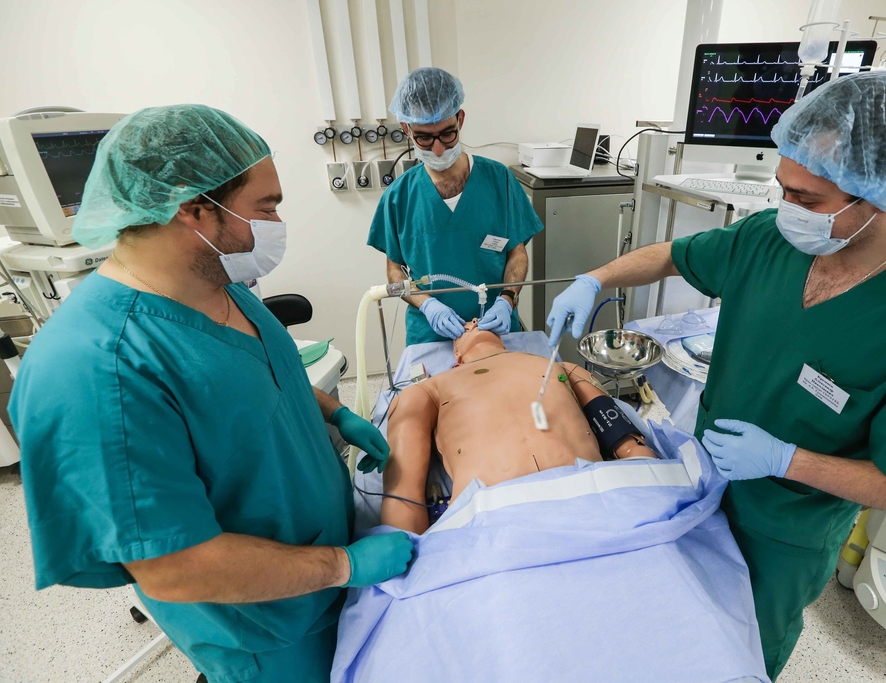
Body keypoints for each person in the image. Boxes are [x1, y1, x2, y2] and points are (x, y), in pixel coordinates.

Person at [545, 71, 886, 680]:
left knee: (738, 656)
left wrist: (787, 460)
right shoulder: (770, 239)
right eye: (783, 189)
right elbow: (672, 257)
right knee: (674, 628)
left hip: (785, 533)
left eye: (808, 200)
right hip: (701, 481)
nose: (788, 209)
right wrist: (595, 279)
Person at [9, 105, 413, 683]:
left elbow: (257, 374)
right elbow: (175, 568)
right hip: (265, 631)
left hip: (323, 578)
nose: (277, 223)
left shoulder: (219, 284)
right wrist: (342, 565)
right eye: (266, 208)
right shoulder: (97, 370)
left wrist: (332, 412)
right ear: (193, 208)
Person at [382, 320, 656, 533]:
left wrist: (653, 492)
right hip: (491, 517)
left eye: (480, 320)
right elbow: (402, 494)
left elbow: (626, 442)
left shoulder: (562, 367)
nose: (475, 321)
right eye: (467, 326)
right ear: (457, 353)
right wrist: (406, 554)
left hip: (594, 497)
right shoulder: (427, 389)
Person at [368, 67, 543, 345]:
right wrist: (428, 306)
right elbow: (394, 271)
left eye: (447, 134)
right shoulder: (399, 197)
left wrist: (507, 299)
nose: (438, 149)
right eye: (424, 138)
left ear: (460, 119)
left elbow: (517, 253)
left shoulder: (499, 180)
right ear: (406, 129)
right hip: (430, 335)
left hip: (496, 330)